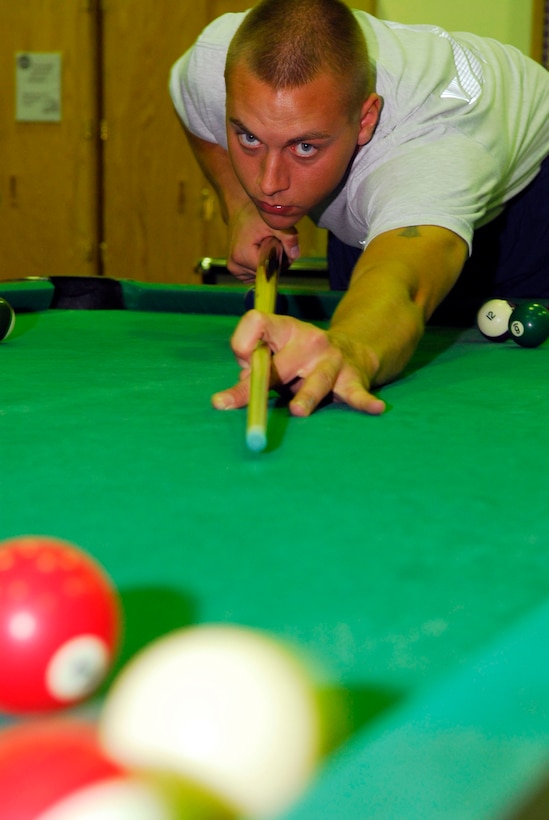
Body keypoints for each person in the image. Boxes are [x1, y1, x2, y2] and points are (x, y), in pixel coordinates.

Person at [170, 0, 549, 417]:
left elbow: (402, 281)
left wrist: (349, 346)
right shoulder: (214, 62)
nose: (269, 182)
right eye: (250, 139)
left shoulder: (434, 155)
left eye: (304, 146)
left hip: (526, 207)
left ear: (366, 120)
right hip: (381, 184)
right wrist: (240, 205)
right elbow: (195, 110)